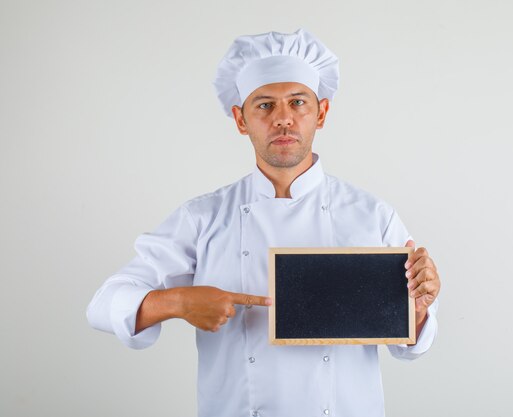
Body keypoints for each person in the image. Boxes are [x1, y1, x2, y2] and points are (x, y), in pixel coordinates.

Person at [87, 29, 441, 417]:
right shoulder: (203, 217)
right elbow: (102, 305)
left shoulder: (373, 215)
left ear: (321, 113)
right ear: (241, 119)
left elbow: (409, 345)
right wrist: (178, 302)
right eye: (265, 105)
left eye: (297, 102)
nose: (284, 119)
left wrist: (418, 307)